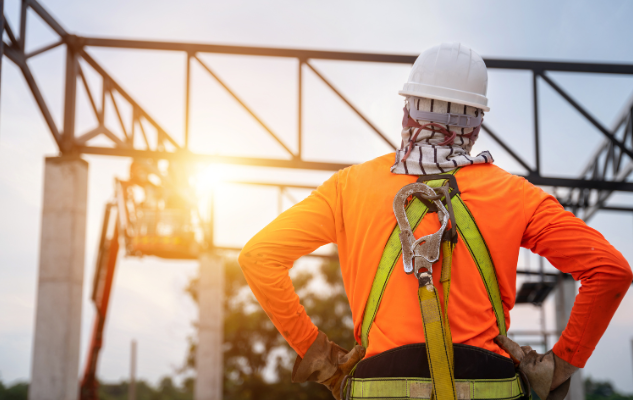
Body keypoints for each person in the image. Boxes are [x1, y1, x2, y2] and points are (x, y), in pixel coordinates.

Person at [238, 43, 632, 400]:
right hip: (490, 386)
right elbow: (610, 271)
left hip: (381, 387)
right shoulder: (517, 195)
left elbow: (259, 257)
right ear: (476, 125)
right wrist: (561, 364)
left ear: (407, 110)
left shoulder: (348, 188)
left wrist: (321, 356)